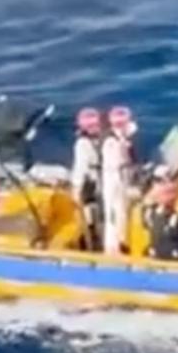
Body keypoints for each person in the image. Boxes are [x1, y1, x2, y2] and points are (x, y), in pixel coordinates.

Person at [101, 105, 138, 255]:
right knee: (114, 216)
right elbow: (118, 164)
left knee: (121, 214)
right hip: (114, 183)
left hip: (120, 181)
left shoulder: (119, 140)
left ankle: (122, 242)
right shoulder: (111, 143)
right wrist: (124, 149)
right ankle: (113, 249)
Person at [71, 107, 103, 250]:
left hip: (94, 183)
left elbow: (81, 169)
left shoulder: (88, 143)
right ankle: (91, 243)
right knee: (92, 216)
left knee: (93, 216)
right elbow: (81, 168)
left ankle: (93, 241)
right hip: (92, 185)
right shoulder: (86, 144)